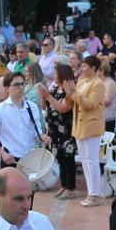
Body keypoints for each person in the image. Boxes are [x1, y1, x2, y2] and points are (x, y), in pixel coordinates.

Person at [0, 73, 48, 171]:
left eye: (23, 84)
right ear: (7, 88)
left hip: (30, 158)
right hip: (10, 160)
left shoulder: (32, 107)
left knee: (29, 186)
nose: (21, 87)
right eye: (16, 84)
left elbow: (37, 134)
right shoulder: (0, 109)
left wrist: (43, 138)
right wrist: (2, 153)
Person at [69, 56, 107, 207]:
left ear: (93, 68)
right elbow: (75, 101)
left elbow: (90, 104)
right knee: (84, 160)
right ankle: (90, 192)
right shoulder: (82, 81)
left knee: (92, 161)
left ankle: (95, 194)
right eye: (82, 66)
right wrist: (70, 92)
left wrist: (74, 93)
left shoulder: (98, 84)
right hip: (79, 125)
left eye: (85, 67)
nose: (82, 69)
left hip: (91, 126)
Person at [37, 63, 78, 200]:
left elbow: (63, 108)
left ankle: (70, 187)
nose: (53, 76)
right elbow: (44, 106)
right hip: (54, 129)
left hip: (65, 129)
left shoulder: (69, 89)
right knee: (59, 158)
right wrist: (43, 96)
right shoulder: (53, 87)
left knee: (68, 158)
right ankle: (64, 185)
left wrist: (48, 96)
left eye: (55, 74)